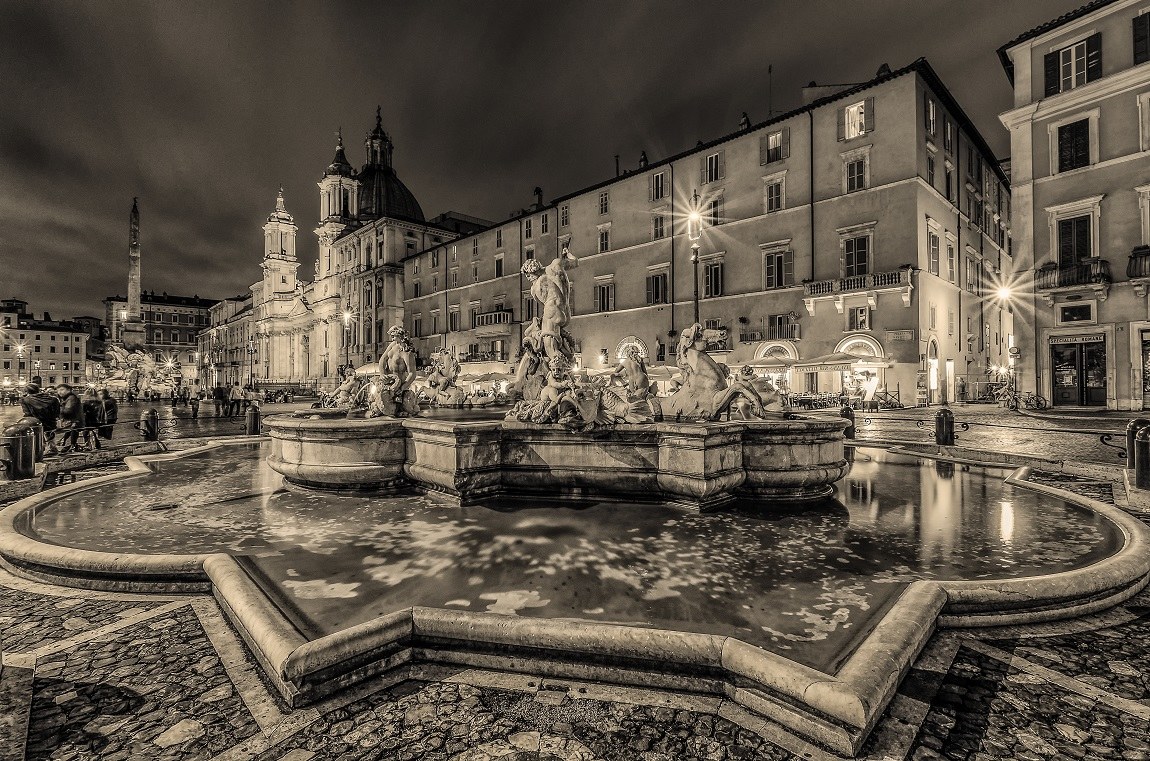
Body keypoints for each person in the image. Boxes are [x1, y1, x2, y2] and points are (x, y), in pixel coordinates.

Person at [20, 382, 60, 455]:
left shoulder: (25, 400)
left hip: (36, 422)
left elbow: (28, 414)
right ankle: (52, 448)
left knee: (37, 437)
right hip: (50, 422)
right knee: (50, 436)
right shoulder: (54, 399)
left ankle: (39, 451)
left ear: (27, 391)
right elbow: (57, 413)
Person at [55, 383, 83, 453]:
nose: (60, 392)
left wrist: (57, 410)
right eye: (58, 390)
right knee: (70, 434)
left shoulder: (71, 398)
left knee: (71, 433)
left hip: (73, 420)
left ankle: (71, 447)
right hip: (72, 420)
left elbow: (68, 410)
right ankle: (71, 446)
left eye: (62, 390)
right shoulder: (66, 398)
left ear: (69, 390)